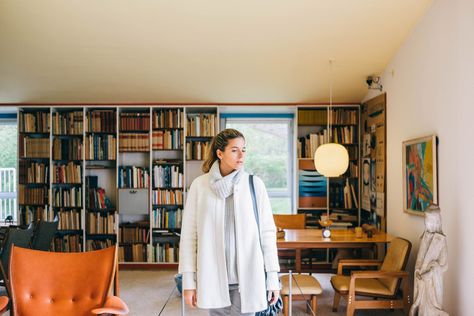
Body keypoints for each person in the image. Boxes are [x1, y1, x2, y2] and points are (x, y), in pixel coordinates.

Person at [178, 128, 280, 316]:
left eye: (244, 149)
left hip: (247, 280)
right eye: (234, 150)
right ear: (220, 153)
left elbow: (267, 233)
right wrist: (188, 283)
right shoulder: (199, 186)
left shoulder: (254, 184)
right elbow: (189, 237)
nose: (242, 155)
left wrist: (273, 277)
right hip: (212, 278)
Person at [409, 205, 448, 316]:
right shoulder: (424, 237)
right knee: (422, 307)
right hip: (422, 279)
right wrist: (418, 272)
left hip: (433, 283)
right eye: (425, 221)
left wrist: (431, 272)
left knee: (431, 309)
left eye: (429, 221)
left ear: (436, 222)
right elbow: (419, 260)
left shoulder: (441, 240)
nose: (426, 224)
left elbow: (445, 265)